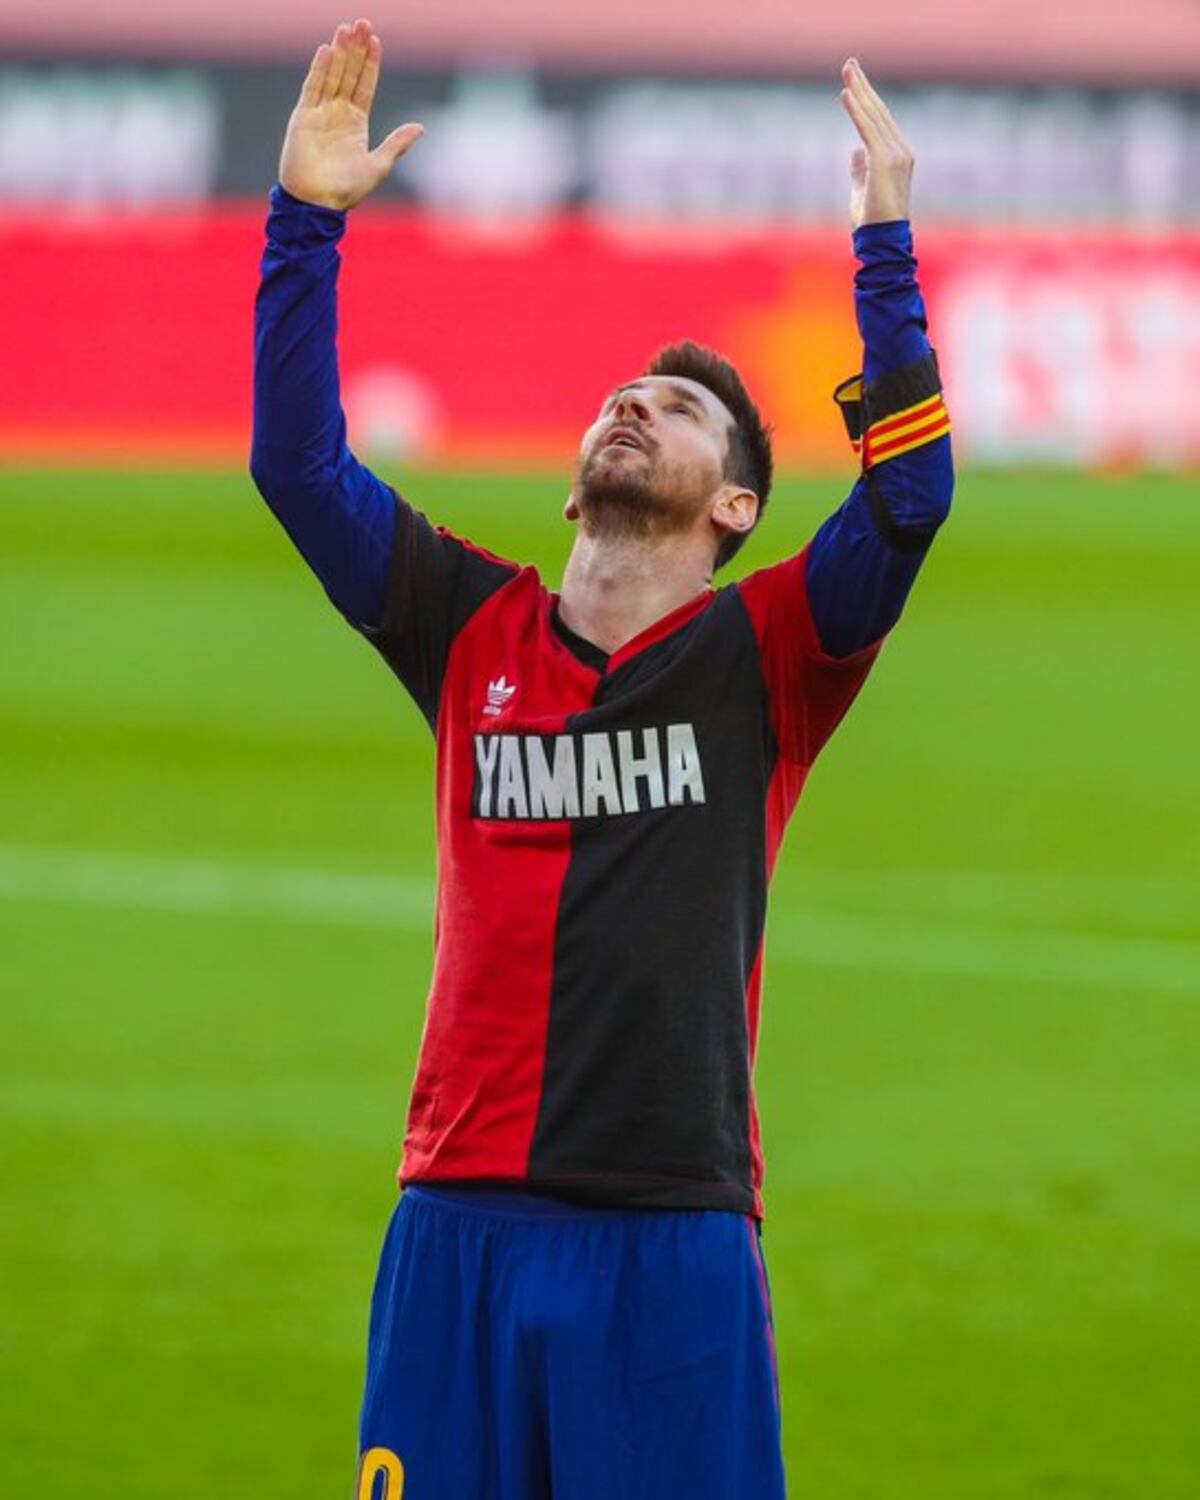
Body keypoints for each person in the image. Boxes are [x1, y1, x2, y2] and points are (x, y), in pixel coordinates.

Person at [251, 18, 953, 1499]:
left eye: (684, 407)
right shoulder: (462, 623)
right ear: (575, 490)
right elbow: (298, 467)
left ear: (739, 508)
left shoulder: (770, 656)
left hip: (673, 1232)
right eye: (624, 396)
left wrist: (884, 244)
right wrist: (307, 218)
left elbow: (909, 503)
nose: (637, 404)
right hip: (456, 1219)